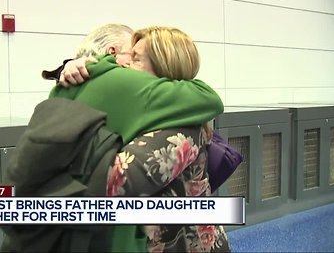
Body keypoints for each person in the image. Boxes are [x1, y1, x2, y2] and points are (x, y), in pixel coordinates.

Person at [48, 25, 230, 252]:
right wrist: (76, 67)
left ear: (163, 68)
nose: (124, 65)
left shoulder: (179, 130)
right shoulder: (154, 109)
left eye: (135, 58)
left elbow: (115, 181)